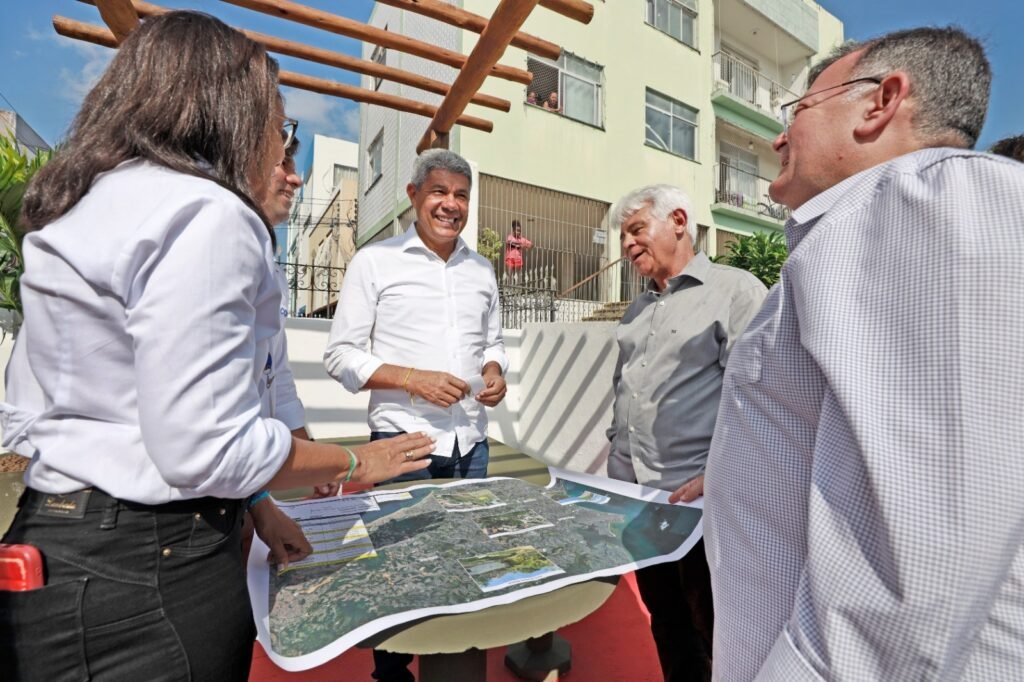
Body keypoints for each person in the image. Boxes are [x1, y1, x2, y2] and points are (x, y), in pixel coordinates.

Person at [0, 12, 433, 682]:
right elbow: (210, 445)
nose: (283, 155)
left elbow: (128, 414)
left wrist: (258, 504)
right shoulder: (208, 214)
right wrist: (358, 459)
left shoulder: (93, 204)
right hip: (150, 567)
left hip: (67, 543)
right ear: (230, 114)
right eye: (280, 129)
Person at [704, 27, 1024, 680]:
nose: (779, 139)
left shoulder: (924, 205)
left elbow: (912, 588)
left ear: (881, 102)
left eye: (799, 110)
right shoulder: (870, 228)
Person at [324, 148, 508, 682]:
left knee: (465, 555)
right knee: (399, 566)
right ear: (413, 195)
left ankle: (454, 655)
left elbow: (492, 342)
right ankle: (393, 672)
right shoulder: (375, 261)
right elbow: (340, 355)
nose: (451, 205)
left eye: (461, 195)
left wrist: (494, 371)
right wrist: (411, 378)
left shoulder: (481, 269)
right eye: (439, 192)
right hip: (403, 445)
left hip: (471, 442)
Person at [605, 185, 766, 681]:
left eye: (636, 229)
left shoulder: (737, 292)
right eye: (623, 235)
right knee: (668, 623)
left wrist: (720, 475)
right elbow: (623, 391)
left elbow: (762, 401)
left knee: (717, 631)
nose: (626, 244)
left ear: (678, 221)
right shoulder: (637, 309)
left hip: (701, 507)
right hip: (640, 502)